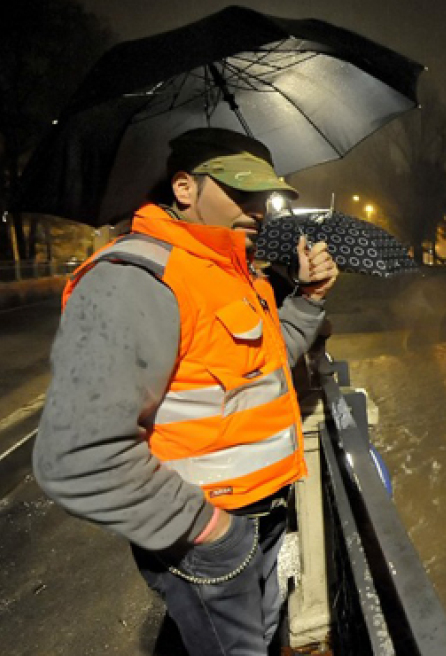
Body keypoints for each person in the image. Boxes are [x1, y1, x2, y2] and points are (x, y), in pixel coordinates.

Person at [33, 127, 338, 655]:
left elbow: (263, 369)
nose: (256, 209)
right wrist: (210, 529)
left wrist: (308, 298)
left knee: (261, 643)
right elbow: (77, 455)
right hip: (208, 535)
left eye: (261, 196)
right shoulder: (134, 279)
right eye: (239, 192)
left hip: (266, 514)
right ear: (184, 189)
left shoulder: (233, 273)